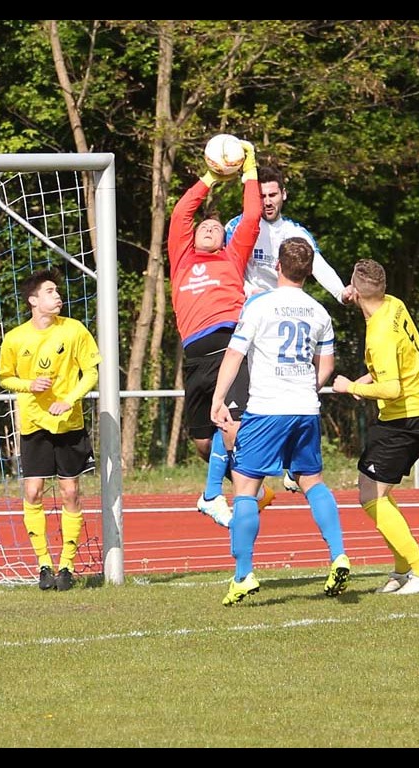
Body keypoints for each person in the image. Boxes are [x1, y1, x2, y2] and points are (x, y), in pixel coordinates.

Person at [210, 236, 351, 605]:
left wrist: (218, 399)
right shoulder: (319, 312)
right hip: (305, 408)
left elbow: (234, 355)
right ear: (309, 271)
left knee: (245, 487)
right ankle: (338, 554)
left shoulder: (260, 305)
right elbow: (327, 366)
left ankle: (243, 575)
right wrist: (305, 387)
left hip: (266, 409)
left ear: (277, 267)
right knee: (312, 481)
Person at [225, 165, 356, 494]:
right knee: (235, 415)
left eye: (273, 194)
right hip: (252, 322)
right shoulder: (237, 227)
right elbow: (227, 267)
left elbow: (318, 264)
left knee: (287, 394)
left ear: (283, 194)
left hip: (286, 321)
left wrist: (341, 292)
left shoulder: (295, 232)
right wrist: (246, 292)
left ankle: (279, 470)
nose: (267, 201)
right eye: (261, 196)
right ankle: (241, 481)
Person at [166, 137, 273, 528]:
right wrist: (210, 177)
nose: (210, 228)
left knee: (232, 428)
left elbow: (252, 215)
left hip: (230, 351)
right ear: (193, 237)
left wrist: (249, 171)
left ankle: (215, 495)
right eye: (205, 226)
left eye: (216, 227)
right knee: (202, 442)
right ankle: (250, 488)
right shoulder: (182, 259)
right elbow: (182, 213)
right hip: (195, 359)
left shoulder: (231, 256)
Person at [331, 258, 419, 595]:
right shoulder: (394, 303)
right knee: (377, 492)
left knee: (370, 496)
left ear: (356, 290)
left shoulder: (379, 333)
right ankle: (403, 569)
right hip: (417, 411)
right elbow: (402, 359)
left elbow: (392, 388)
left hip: (404, 420)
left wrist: (351, 386)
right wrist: (368, 379)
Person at [0, 268, 102, 592]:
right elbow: (5, 377)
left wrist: (69, 400)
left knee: (70, 492)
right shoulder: (15, 338)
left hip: (69, 424)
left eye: (57, 291)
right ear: (33, 300)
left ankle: (67, 566)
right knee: (33, 492)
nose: (57, 296)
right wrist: (29, 384)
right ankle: (44, 564)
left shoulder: (74, 330)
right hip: (34, 425)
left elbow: (91, 373)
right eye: (50, 291)